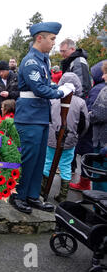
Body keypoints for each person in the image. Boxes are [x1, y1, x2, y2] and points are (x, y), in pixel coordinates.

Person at [11, 21, 75, 214]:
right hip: (29, 116)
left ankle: (31, 195)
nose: (54, 43)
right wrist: (60, 92)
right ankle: (18, 195)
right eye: (52, 38)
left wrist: (59, 88)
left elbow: (46, 85)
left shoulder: (43, 60)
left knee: (39, 159)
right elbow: (39, 89)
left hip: (39, 115)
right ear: (40, 38)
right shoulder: (31, 61)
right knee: (28, 158)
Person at [42, 72, 89, 202]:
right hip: (70, 138)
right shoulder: (80, 102)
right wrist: (77, 135)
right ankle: (62, 196)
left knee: (48, 162)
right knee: (66, 165)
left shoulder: (53, 99)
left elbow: (47, 118)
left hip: (51, 137)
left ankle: (42, 192)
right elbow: (85, 123)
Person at [85, 60, 107, 191]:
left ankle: (99, 208)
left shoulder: (105, 91)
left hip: (102, 140)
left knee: (100, 175)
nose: (103, 77)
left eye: (105, 73)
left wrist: (88, 115)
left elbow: (99, 115)